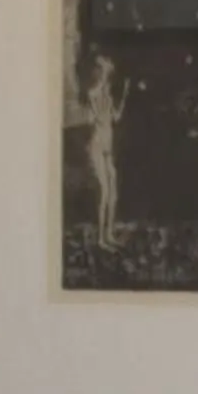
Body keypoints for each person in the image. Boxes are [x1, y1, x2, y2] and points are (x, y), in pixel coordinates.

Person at [78, 51, 129, 256]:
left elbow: (116, 117)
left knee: (113, 193)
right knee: (105, 192)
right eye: (104, 70)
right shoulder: (94, 93)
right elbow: (97, 114)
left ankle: (109, 234)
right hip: (97, 145)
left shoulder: (106, 95)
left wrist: (124, 94)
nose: (107, 74)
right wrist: (104, 79)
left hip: (107, 146)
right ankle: (100, 238)